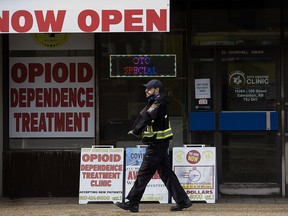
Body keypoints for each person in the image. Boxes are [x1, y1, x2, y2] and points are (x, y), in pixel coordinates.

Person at [115, 79, 192, 212]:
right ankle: (183, 200)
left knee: (144, 173)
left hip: (157, 145)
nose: (146, 90)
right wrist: (135, 128)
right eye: (146, 88)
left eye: (149, 88)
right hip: (159, 144)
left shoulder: (158, 102)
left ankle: (132, 202)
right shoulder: (155, 102)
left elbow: (147, 116)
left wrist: (136, 130)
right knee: (166, 173)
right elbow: (143, 115)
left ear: (157, 89)